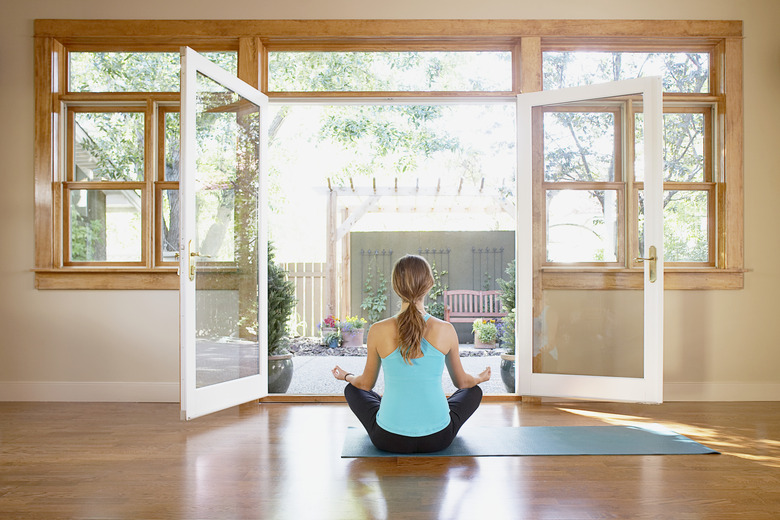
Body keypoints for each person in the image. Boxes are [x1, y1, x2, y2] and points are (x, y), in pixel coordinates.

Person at [332, 254, 491, 454]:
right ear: (429, 284)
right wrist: (480, 378)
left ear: (395, 286)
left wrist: (346, 376)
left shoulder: (377, 330)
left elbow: (365, 384)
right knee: (473, 391)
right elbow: (462, 383)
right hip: (438, 438)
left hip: (388, 439)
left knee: (353, 389)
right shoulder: (446, 329)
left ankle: (393, 410)